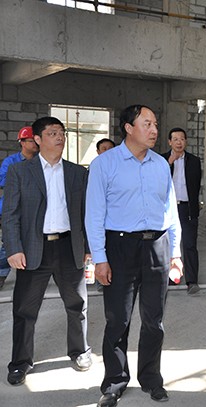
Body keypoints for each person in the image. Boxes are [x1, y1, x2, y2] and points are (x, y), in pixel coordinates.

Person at [86, 105, 182, 407]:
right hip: (120, 247)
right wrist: (100, 258)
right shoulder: (105, 164)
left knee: (154, 320)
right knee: (118, 319)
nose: (154, 130)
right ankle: (114, 382)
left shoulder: (160, 164)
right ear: (128, 128)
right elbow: (94, 214)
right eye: (147, 124)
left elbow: (171, 211)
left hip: (157, 246)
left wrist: (175, 253)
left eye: (155, 124)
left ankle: (151, 379)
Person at [2, 117, 91, 386]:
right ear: (38, 140)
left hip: (68, 247)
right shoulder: (20, 171)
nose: (59, 137)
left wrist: (88, 248)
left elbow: (85, 214)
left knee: (77, 305)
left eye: (61, 132)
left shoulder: (77, 173)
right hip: (33, 249)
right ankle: (20, 362)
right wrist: (14, 248)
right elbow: (10, 214)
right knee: (25, 309)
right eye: (52, 133)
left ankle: (79, 351)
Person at [161, 127, 202, 295]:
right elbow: (158, 180)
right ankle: (170, 279)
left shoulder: (194, 161)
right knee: (168, 244)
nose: (179, 142)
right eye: (175, 139)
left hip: (187, 208)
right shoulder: (161, 160)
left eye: (182, 139)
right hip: (168, 209)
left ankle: (192, 281)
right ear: (170, 142)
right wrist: (170, 162)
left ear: (186, 141)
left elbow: (196, 185)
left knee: (189, 244)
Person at [0, 126, 40, 289]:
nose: (35, 144)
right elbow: (4, 180)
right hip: (16, 209)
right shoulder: (11, 162)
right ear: (22, 142)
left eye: (36, 141)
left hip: (35, 209)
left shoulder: (42, 161)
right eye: (31, 141)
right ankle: (1, 274)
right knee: (9, 245)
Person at [93, 138, 116, 293]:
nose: (107, 152)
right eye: (104, 149)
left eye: (110, 149)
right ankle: (100, 279)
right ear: (98, 151)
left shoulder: (120, 169)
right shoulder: (94, 169)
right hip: (99, 219)